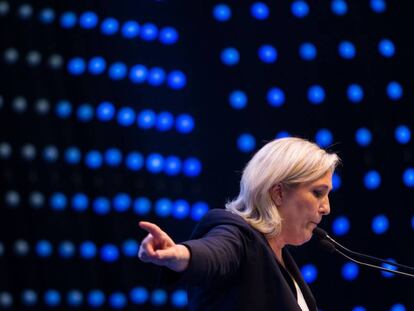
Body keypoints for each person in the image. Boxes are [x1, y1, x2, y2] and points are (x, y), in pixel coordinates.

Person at [138, 137, 340, 311]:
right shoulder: (237, 233)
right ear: (278, 193)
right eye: (318, 193)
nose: (326, 208)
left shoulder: (279, 257)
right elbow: (215, 253)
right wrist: (179, 254)